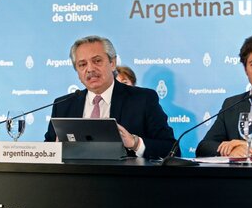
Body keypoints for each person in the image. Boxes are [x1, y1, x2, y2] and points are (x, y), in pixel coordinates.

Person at [44, 35, 176, 158]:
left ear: (112, 63)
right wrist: (54, 150)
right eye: (82, 64)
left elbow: (172, 149)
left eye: (97, 61)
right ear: (77, 72)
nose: (90, 69)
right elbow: (47, 152)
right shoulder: (62, 105)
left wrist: (135, 143)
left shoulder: (143, 99)